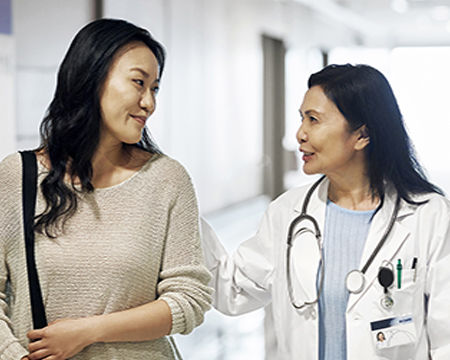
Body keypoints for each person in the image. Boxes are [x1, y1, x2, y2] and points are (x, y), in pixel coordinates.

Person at [201, 64, 450, 359]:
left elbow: (445, 337)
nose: (300, 134)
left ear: (361, 136)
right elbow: (231, 291)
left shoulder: (428, 214)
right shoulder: (287, 213)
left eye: (314, 120)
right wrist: (179, 207)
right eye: (302, 119)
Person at [0, 18, 212, 360]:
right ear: (91, 79)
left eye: (155, 88)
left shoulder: (167, 180)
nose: (149, 103)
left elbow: (189, 299)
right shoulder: (17, 176)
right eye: (138, 83)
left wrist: (87, 331)